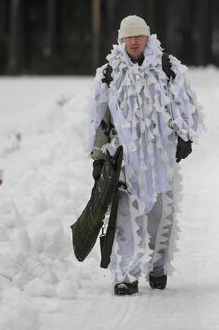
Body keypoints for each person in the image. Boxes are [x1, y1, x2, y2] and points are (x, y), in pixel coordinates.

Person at [86, 15, 203, 295]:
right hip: (124, 159)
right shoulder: (108, 73)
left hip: (161, 157)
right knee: (125, 215)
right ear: (121, 39)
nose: (134, 41)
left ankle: (157, 266)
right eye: (129, 37)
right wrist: (99, 156)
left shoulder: (168, 68)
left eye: (139, 36)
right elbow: (98, 118)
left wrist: (185, 136)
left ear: (148, 37)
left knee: (161, 214)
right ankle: (125, 275)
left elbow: (186, 104)